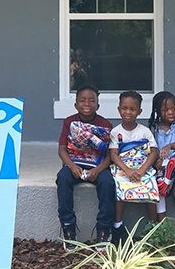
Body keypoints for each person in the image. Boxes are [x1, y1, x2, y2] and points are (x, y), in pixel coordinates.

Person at [56, 84, 115, 251]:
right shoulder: (69, 122)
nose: (87, 104)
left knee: (108, 183)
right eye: (82, 100)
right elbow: (61, 149)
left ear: (98, 105)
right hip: (74, 164)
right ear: (76, 104)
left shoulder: (104, 124)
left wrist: (97, 170)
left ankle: (104, 229)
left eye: (91, 100)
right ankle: (68, 228)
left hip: (98, 166)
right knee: (63, 179)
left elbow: (110, 154)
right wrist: (72, 166)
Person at [109, 90, 159, 244]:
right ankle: (117, 225)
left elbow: (154, 152)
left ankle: (153, 226)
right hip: (124, 168)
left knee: (150, 186)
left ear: (139, 111)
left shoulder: (144, 132)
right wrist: (128, 171)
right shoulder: (115, 132)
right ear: (118, 109)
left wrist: (142, 170)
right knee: (119, 187)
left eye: (132, 109)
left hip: (141, 166)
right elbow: (114, 154)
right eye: (124, 108)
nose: (128, 112)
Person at [148, 91, 175, 237]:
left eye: (174, 109)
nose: (171, 112)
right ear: (158, 111)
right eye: (166, 110)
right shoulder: (154, 129)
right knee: (160, 193)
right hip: (161, 168)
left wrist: (169, 147)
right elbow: (151, 148)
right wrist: (156, 160)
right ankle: (162, 228)